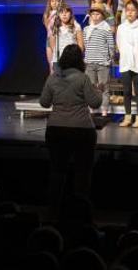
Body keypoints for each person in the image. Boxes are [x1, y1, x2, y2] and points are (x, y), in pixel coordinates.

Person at [39, 44, 103, 217]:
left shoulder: (53, 78)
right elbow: (95, 103)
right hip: (81, 130)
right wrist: (99, 91)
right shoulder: (83, 78)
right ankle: (80, 212)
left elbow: (44, 103)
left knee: (57, 171)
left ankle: (53, 211)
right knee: (83, 172)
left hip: (56, 129)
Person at [83, 4, 115, 116]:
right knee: (91, 88)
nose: (95, 17)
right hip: (90, 63)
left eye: (97, 14)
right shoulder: (87, 29)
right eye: (93, 14)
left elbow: (111, 46)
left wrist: (110, 59)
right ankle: (92, 109)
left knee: (103, 88)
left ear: (102, 16)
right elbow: (86, 45)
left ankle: (104, 111)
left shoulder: (106, 29)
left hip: (102, 64)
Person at [117, 0, 138, 128]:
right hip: (125, 63)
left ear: (137, 12)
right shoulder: (121, 28)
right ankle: (127, 117)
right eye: (128, 10)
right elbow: (119, 43)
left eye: (133, 10)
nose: (130, 12)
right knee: (127, 91)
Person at [46, 4, 83, 75]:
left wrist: (77, 57)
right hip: (58, 60)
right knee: (59, 83)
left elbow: (80, 44)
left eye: (66, 12)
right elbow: (52, 44)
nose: (64, 14)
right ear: (58, 15)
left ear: (71, 14)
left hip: (72, 60)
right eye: (61, 12)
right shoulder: (56, 27)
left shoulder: (76, 26)